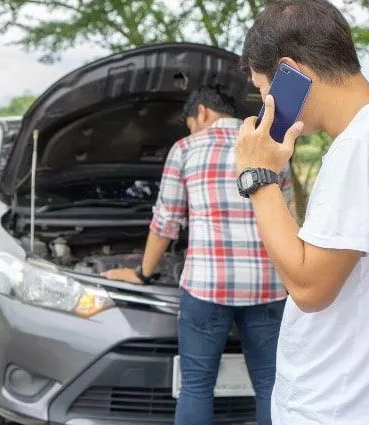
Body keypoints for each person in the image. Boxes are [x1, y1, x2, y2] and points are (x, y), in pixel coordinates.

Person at [234, 1, 369, 424]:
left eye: (263, 89)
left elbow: (310, 288)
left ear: (291, 71)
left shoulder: (360, 149)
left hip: (340, 408)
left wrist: (258, 176)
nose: (264, 103)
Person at [102, 85, 293, 425]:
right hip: (268, 285)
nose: (190, 128)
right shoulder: (271, 148)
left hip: (207, 286)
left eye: (190, 122)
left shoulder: (186, 148)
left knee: (196, 386)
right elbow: (288, 218)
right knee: (270, 385)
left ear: (202, 112)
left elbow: (166, 222)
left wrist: (143, 273)